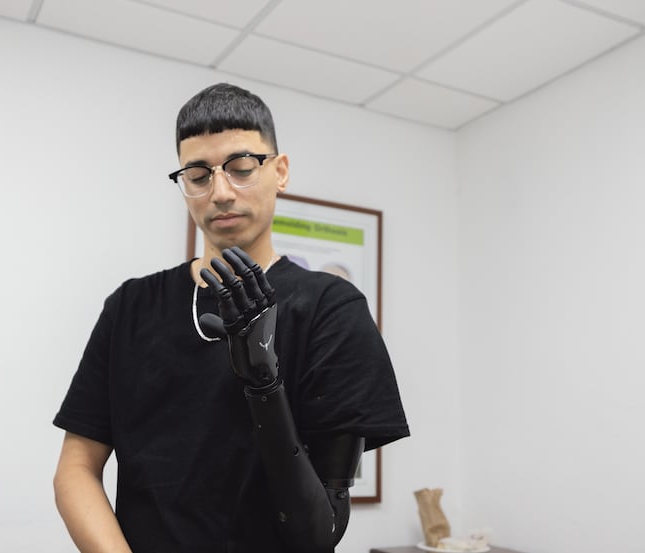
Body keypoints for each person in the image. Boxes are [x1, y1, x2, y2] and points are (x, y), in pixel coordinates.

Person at [52, 82, 409, 553]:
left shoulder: (331, 308)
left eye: (242, 169)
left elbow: (320, 532)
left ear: (280, 172)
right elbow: (76, 469)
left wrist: (264, 383)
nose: (220, 192)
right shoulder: (131, 306)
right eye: (198, 177)